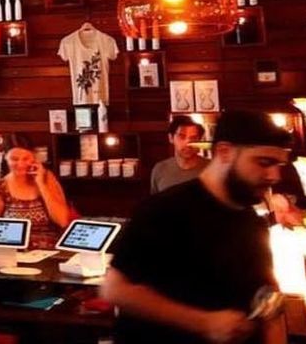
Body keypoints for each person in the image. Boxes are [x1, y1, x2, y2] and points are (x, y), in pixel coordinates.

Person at [101, 110, 291, 344]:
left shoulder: (251, 220)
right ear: (224, 152)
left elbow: (267, 292)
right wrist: (204, 322)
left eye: (279, 165)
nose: (275, 175)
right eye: (264, 162)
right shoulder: (163, 210)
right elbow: (115, 289)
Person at [0, 140, 71, 249]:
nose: (20, 164)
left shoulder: (47, 179)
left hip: (49, 249)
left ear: (34, 159)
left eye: (26, 159)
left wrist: (40, 183)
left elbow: (62, 221)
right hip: (15, 250)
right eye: (14, 159)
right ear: (6, 158)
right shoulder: (0, 187)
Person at [151, 116, 209, 193]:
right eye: (182, 137)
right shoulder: (160, 170)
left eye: (193, 138)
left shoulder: (212, 168)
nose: (188, 143)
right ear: (171, 138)